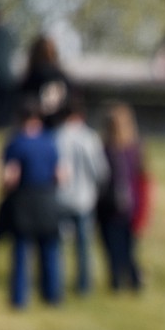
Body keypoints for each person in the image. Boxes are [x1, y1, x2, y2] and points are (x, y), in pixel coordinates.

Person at [0, 96, 63, 308]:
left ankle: (19, 298)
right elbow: (60, 175)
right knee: (50, 250)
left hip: (24, 199)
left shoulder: (15, 143)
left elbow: (11, 176)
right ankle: (52, 297)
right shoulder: (49, 141)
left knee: (22, 251)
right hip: (47, 198)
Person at [55, 93, 108, 295]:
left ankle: (56, 283)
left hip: (61, 197)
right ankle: (84, 285)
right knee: (84, 246)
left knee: (58, 244)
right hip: (84, 198)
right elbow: (99, 170)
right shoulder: (89, 138)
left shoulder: (56, 136)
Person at [96, 102, 148, 292]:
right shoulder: (134, 150)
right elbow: (143, 182)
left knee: (115, 248)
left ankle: (121, 280)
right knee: (126, 248)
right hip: (126, 206)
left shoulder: (108, 150)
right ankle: (129, 280)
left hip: (112, 207)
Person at [18, 34, 70, 129]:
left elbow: (24, 101)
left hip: (36, 126)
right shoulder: (62, 76)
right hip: (59, 125)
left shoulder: (34, 76)